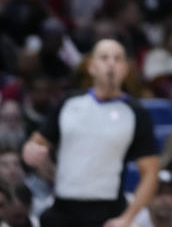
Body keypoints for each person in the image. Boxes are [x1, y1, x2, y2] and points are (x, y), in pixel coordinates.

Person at [21, 39, 160, 227]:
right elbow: (37, 142)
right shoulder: (69, 102)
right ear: (92, 67)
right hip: (62, 207)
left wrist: (128, 217)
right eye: (104, 58)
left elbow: (151, 172)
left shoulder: (137, 113)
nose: (111, 63)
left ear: (126, 69)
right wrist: (31, 151)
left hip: (108, 211)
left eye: (117, 59)